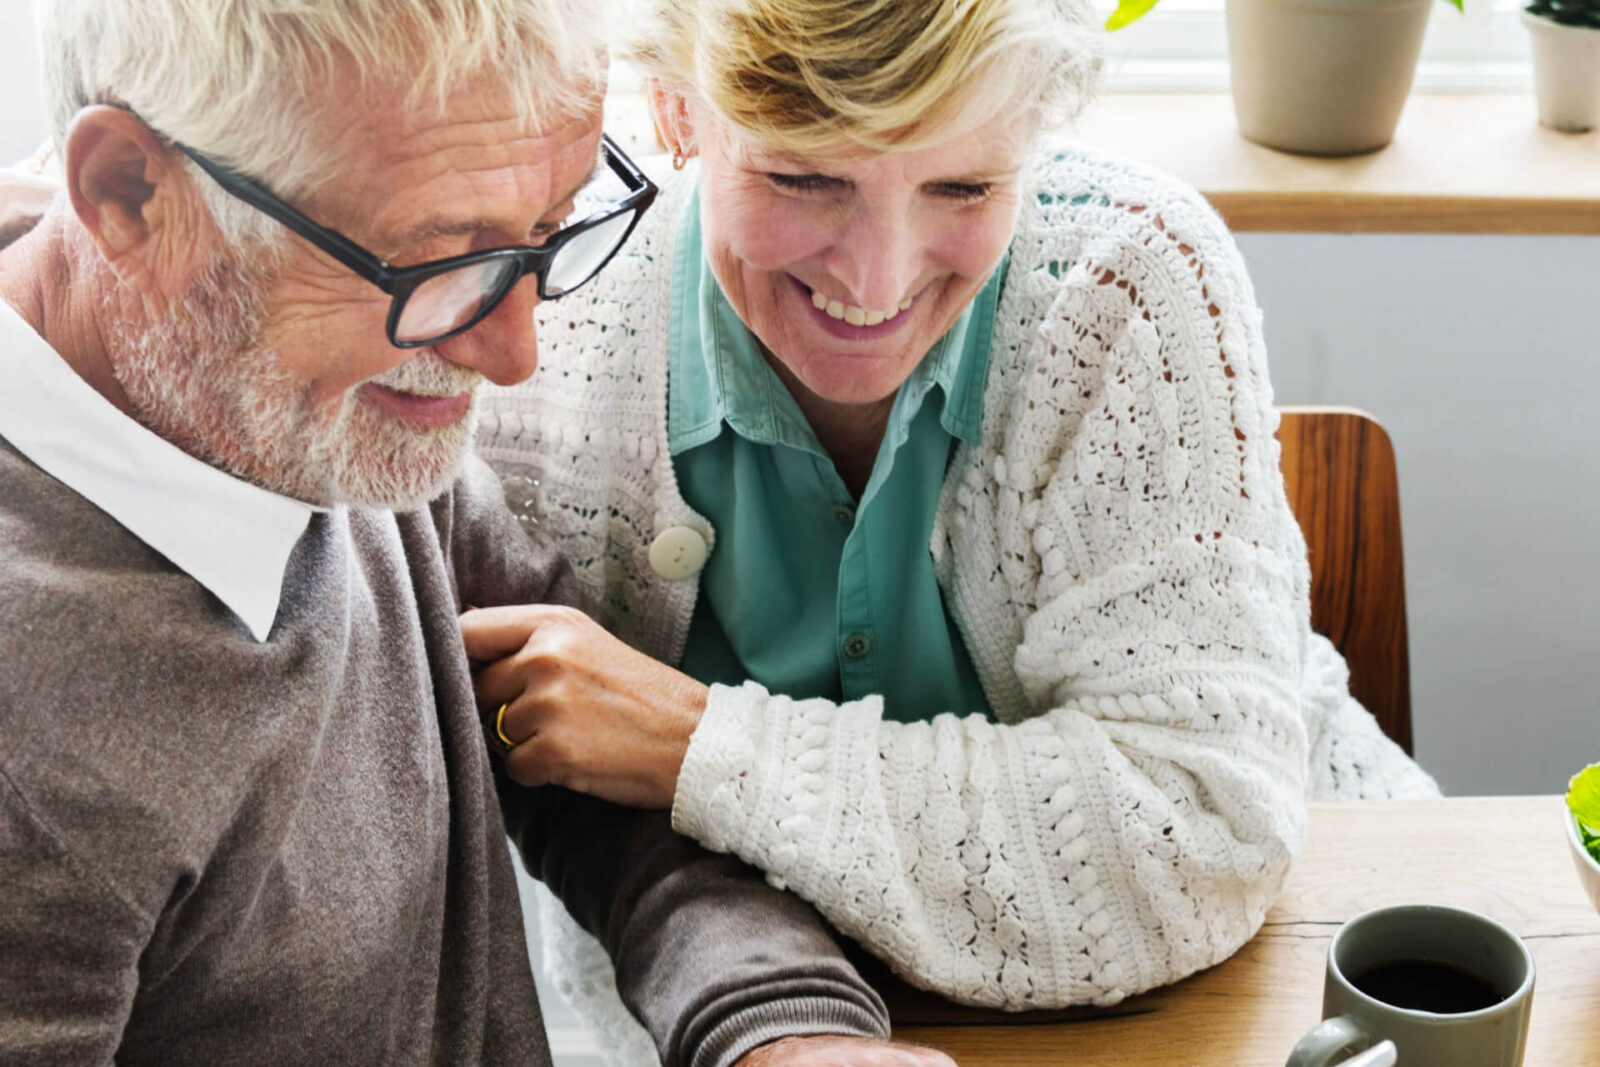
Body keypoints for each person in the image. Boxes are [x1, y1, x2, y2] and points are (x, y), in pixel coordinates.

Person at [466, 0, 1441, 1059]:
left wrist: (692, 742)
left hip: (1278, 972)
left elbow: (1194, 835)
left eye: (965, 187)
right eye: (802, 178)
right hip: (737, 1028)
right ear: (674, 109)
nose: (877, 282)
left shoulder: (1132, 277)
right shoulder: (534, 331)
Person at [0, 2, 956, 1065]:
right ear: (128, 193)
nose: (513, 356)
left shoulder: (294, 408)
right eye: (436, 265)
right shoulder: (28, 736)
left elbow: (599, 787)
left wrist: (785, 1028)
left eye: (551, 230)